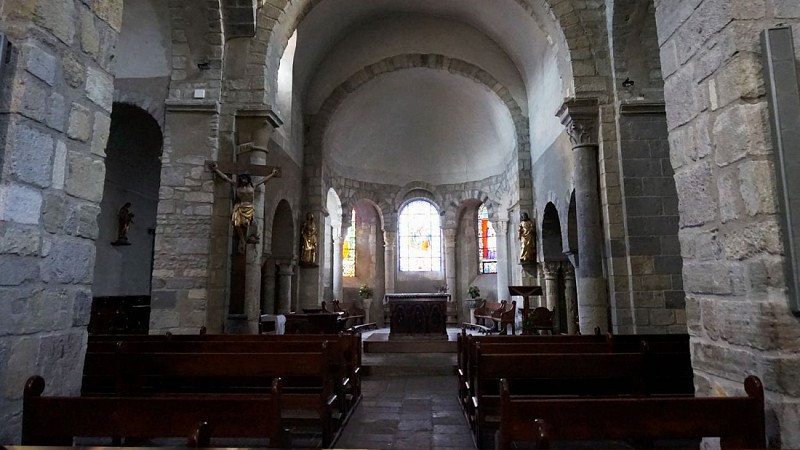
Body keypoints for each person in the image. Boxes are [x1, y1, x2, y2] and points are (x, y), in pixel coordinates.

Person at [209, 162, 279, 253]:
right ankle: (242, 239)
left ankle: (250, 237)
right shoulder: (237, 186)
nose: (243, 180)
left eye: (245, 178)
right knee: (236, 223)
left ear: (248, 179)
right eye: (242, 178)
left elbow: (263, 180)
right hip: (240, 206)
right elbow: (225, 178)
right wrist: (216, 170)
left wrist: (272, 174)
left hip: (249, 207)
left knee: (248, 223)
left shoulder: (253, 185)